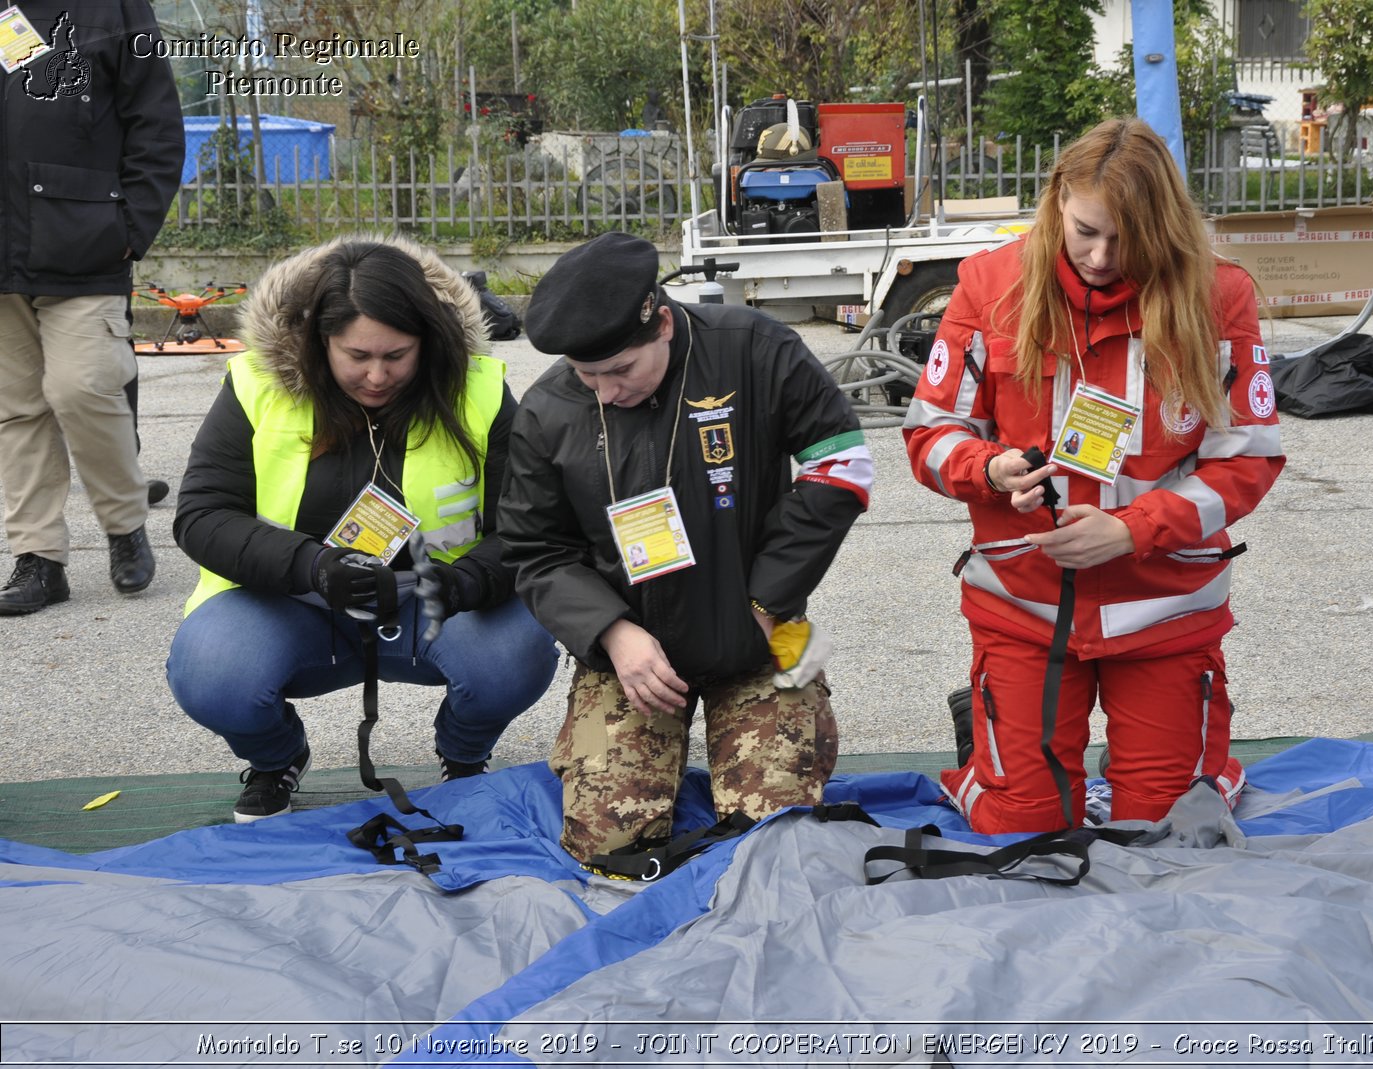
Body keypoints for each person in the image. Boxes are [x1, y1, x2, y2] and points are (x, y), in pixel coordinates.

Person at [904, 118, 1285, 834]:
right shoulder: (988, 284)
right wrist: (986, 469)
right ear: (1056, 200)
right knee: (1024, 826)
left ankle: (1198, 765)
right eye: (1085, 231)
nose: (1103, 256)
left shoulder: (1219, 294)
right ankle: (988, 752)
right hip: (1025, 606)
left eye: (1125, 239)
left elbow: (1249, 458)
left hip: (1165, 609)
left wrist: (1133, 529)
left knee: (1167, 829)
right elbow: (928, 432)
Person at [499, 231, 872, 868]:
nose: (606, 392)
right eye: (587, 375)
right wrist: (612, 633)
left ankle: (806, 712)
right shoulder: (548, 408)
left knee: (777, 840)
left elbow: (841, 467)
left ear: (663, 323)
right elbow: (535, 550)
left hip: (770, 627)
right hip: (629, 651)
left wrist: (771, 595)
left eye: (621, 370)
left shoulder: (754, 346)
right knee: (605, 845)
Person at [166, 236, 559, 823]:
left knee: (517, 652)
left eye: (397, 355)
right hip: (291, 598)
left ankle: (463, 754)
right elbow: (202, 516)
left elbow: (532, 528)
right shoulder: (255, 384)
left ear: (430, 340)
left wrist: (463, 584)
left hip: (436, 603)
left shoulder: (478, 388)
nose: (376, 376)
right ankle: (277, 760)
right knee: (212, 674)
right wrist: (312, 567)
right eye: (356, 356)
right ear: (318, 341)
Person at [0, 0, 183, 614]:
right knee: (18, 409)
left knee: (85, 388)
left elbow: (156, 123)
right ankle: (39, 559)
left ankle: (125, 524)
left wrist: (130, 227)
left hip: (85, 241)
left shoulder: (118, 7)